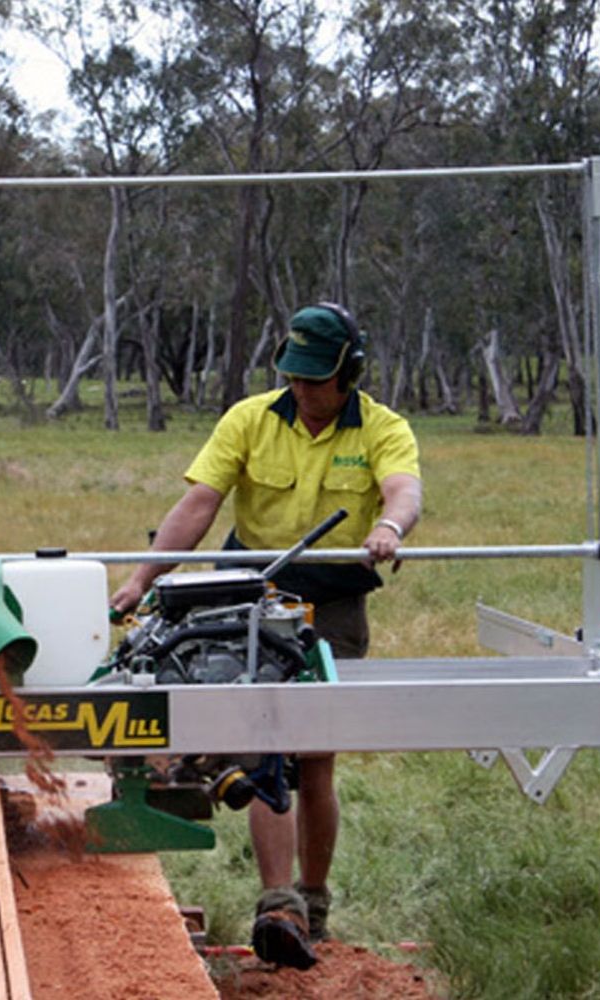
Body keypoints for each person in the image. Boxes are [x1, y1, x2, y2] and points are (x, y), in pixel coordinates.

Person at [110, 303, 422, 968]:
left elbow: (403, 490)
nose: (303, 389)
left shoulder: (383, 428)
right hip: (252, 596)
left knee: (315, 757)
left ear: (349, 374)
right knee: (266, 746)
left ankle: (314, 901)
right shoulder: (249, 419)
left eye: (316, 378)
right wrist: (141, 580)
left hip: (333, 602)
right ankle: (277, 904)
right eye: (294, 376)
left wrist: (389, 527)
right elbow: (199, 504)